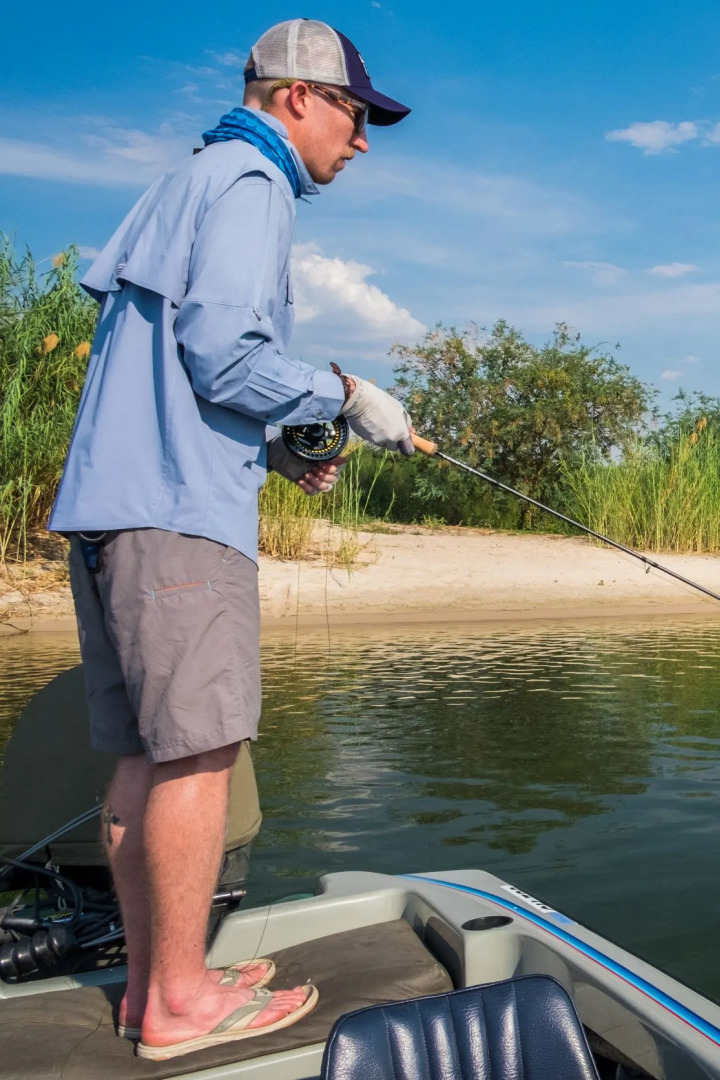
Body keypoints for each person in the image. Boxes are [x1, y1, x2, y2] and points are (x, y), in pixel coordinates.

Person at [48, 19, 415, 1062]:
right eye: (356, 113)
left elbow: (175, 374)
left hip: (115, 509)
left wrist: (285, 450)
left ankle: (158, 982)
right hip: (178, 520)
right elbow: (225, 353)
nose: (364, 138)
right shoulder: (252, 183)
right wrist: (347, 397)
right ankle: (178, 1005)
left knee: (142, 758)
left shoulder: (187, 178)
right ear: (298, 97)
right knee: (200, 757)